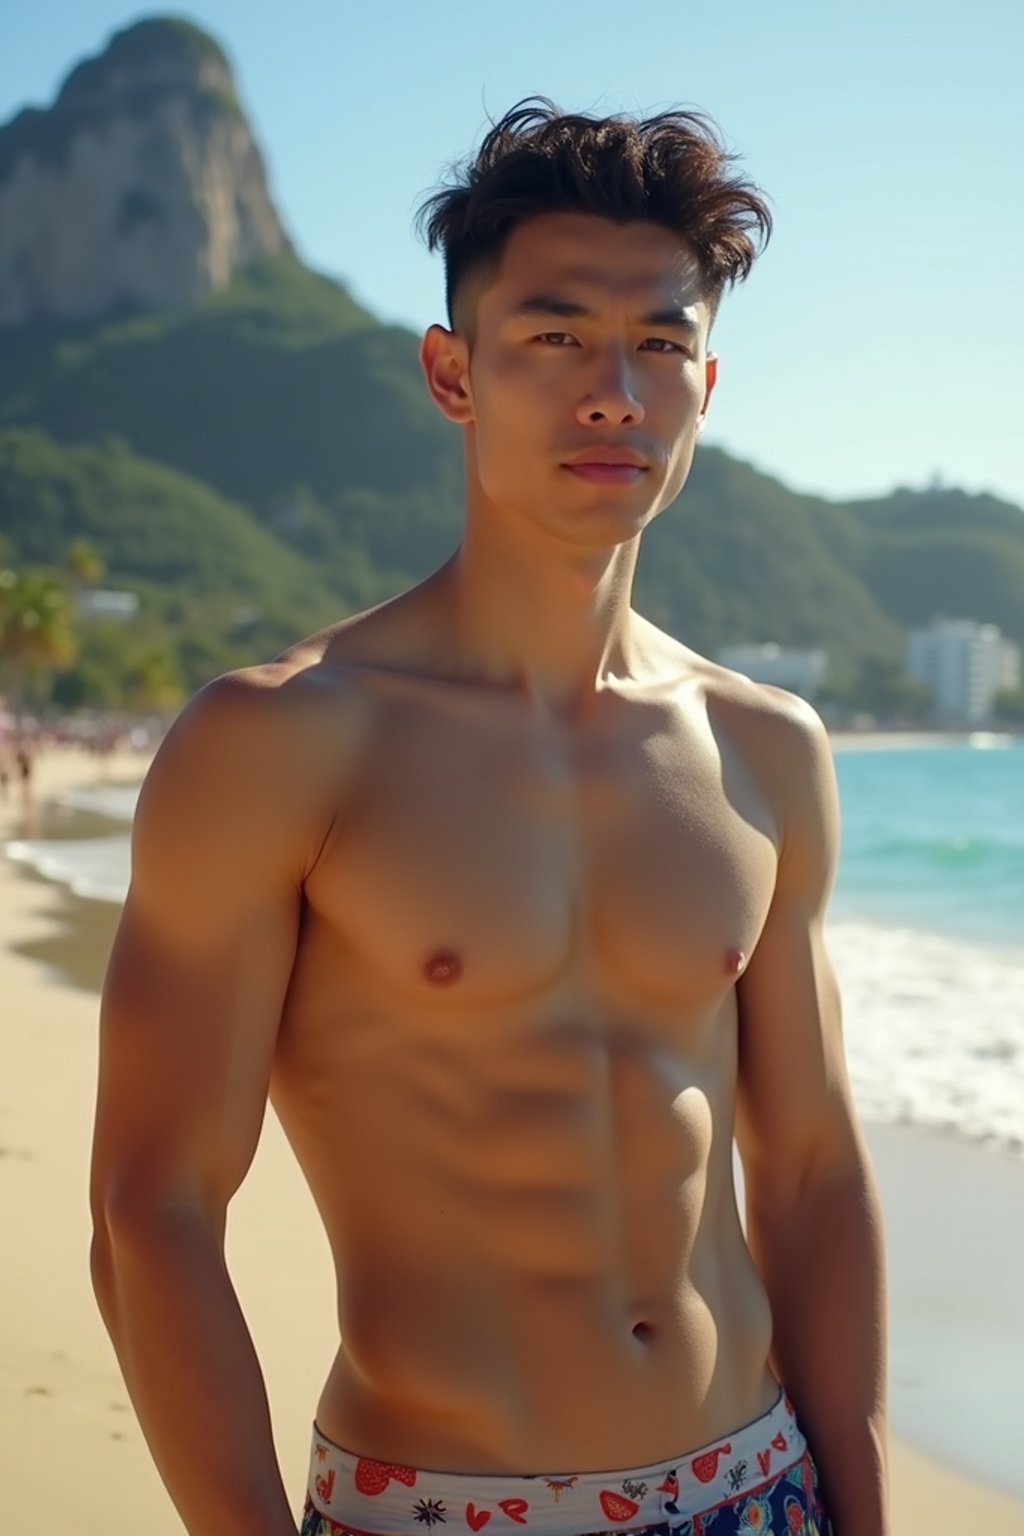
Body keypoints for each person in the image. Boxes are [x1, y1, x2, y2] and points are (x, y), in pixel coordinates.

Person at [89, 99, 888, 1536]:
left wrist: (866, 1503)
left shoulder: (767, 750)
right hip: (438, 1506)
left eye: (657, 344)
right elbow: (151, 1211)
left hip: (758, 1485)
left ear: (707, 379)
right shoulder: (281, 743)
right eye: (556, 336)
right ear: (453, 376)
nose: (612, 394)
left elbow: (817, 1169)